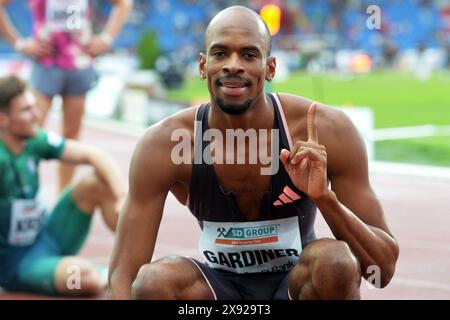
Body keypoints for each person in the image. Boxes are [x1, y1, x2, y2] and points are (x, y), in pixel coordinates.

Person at [108, 6, 399, 300]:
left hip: (296, 288)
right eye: (220, 53)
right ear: (202, 65)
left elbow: (382, 269)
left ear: (270, 68)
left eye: (248, 55)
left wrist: (325, 198)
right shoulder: (166, 143)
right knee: (153, 283)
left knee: (335, 263)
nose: (233, 65)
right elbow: (123, 276)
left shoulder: (326, 130)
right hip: (217, 295)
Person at [0, 75, 125, 296]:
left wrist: (122, 200)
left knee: (96, 182)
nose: (37, 115)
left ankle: (136, 263)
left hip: (47, 235)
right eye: (26, 110)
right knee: (82, 279)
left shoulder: (33, 140)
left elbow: (96, 156)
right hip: (18, 264)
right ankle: (109, 276)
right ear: (3, 119)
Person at [0, 0, 133, 192]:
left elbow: (123, 3)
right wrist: (20, 44)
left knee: (71, 136)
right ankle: (23, 190)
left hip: (78, 64)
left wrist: (106, 39)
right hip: (46, 63)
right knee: (29, 132)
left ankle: (62, 197)